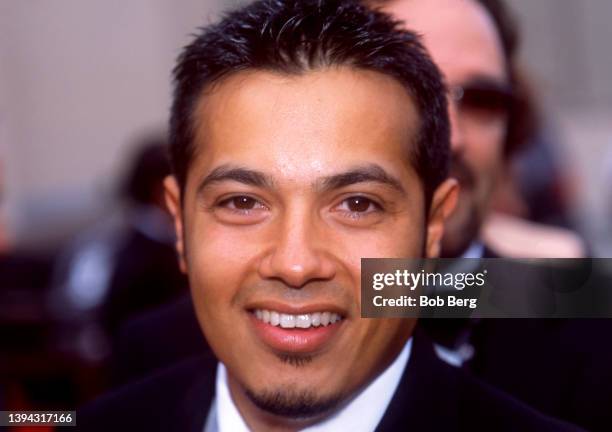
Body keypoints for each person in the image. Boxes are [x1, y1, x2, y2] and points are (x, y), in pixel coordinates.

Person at [78, 1, 580, 431]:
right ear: (179, 222)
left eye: (358, 204)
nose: (296, 263)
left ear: (432, 224)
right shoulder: (123, 394)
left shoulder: (566, 296)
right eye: (243, 201)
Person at [374, 0, 611, 430]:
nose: (453, 137)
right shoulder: (229, 319)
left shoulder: (589, 331)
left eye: (482, 100)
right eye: (412, 87)